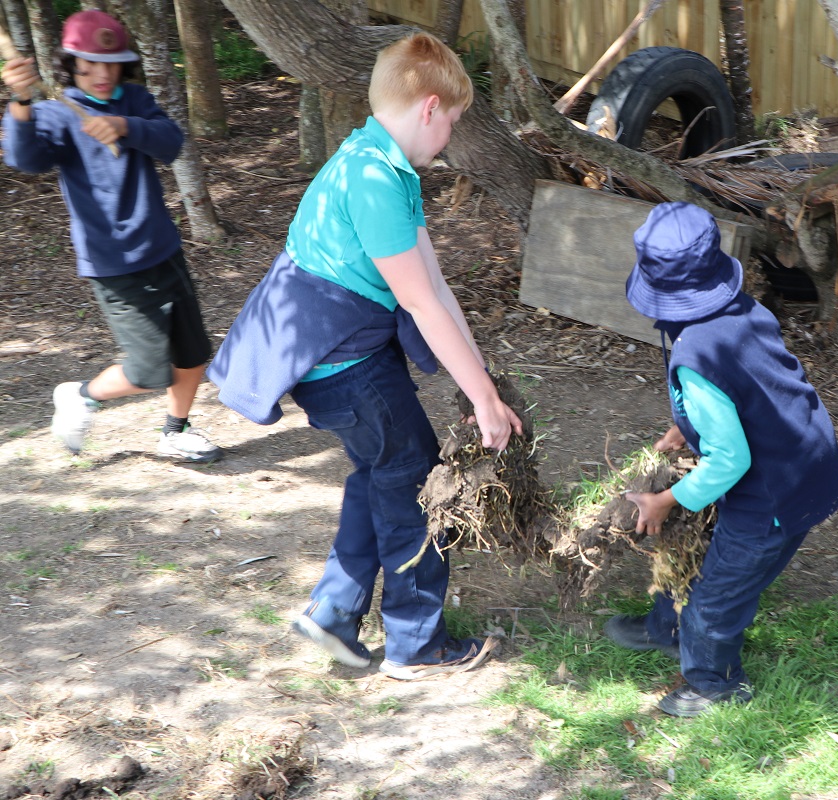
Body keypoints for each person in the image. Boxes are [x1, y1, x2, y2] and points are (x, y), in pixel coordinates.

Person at [207, 32, 522, 680]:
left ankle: (332, 614)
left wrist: (480, 381)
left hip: (338, 362)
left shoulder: (375, 158)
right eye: (453, 123)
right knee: (413, 485)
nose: (451, 139)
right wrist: (485, 402)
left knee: (379, 474)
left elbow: (434, 285)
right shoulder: (376, 181)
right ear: (430, 107)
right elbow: (423, 306)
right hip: (345, 371)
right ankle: (416, 644)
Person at [604, 202, 838, 717]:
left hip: (773, 494)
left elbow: (729, 461)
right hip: (807, 460)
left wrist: (665, 501)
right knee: (691, 558)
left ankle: (715, 686)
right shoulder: (745, 309)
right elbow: (749, 386)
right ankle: (664, 627)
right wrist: (687, 424)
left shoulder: (695, 354)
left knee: (716, 598)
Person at [1, 10, 221, 463]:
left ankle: (175, 430)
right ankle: (80, 395)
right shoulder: (56, 114)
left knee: (193, 354)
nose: (101, 74)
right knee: (146, 369)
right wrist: (20, 103)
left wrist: (125, 126)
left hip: (162, 247)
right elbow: (25, 160)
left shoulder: (134, 101)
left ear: (124, 65)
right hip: (113, 261)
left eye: (111, 63)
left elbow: (170, 142)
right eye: (89, 64)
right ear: (70, 64)